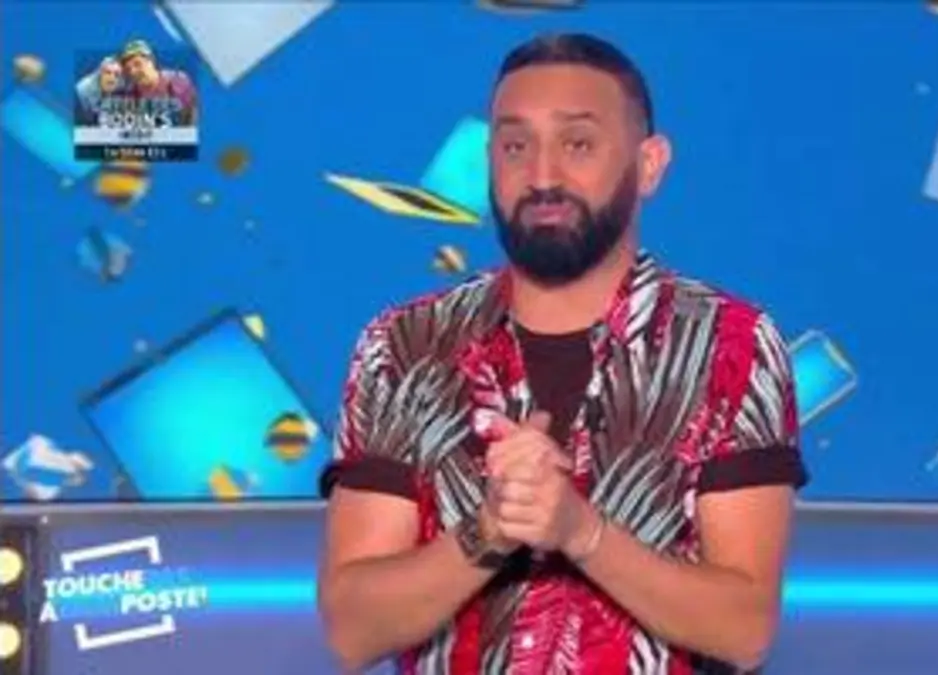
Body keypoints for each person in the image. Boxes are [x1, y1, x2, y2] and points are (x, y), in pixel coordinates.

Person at [319, 32, 808, 674]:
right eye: (515, 147)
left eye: (577, 144)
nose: (543, 177)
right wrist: (489, 530)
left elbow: (743, 630)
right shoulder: (403, 347)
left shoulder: (731, 345)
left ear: (650, 164)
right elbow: (353, 630)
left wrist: (582, 533)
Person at [119, 40, 197, 125]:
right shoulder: (130, 95)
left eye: (137, 64)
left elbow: (191, 119)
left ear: (151, 61)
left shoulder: (177, 81)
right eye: (128, 69)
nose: (133, 72)